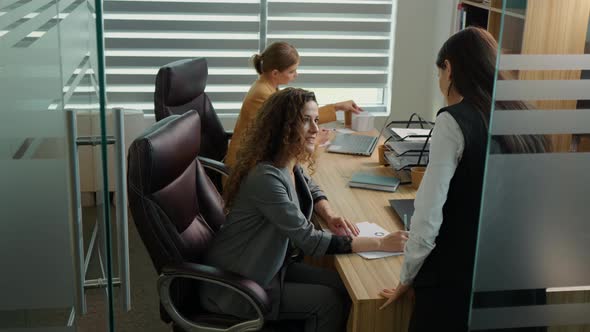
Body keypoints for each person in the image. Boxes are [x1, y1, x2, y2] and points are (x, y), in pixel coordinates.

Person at [378, 27, 547, 331]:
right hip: (521, 277)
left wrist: (407, 276)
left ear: (450, 68)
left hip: (462, 281)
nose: (440, 81)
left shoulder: (453, 120)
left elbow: (428, 216)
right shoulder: (527, 117)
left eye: (439, 71)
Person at [200, 87, 409, 332]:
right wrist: (380, 243)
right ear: (283, 127)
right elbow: (310, 241)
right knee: (328, 303)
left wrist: (329, 215)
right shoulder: (266, 178)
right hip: (239, 285)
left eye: (316, 120)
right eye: (305, 121)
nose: (315, 129)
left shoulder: (286, 160)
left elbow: (312, 187)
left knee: (340, 285)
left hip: (269, 264)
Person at [225, 41, 363, 168]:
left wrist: (336, 107)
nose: (296, 75)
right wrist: (314, 141)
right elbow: (286, 134)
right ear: (275, 73)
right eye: (291, 71)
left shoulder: (266, 85)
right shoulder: (263, 94)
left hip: (255, 161)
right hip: (246, 168)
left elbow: (296, 116)